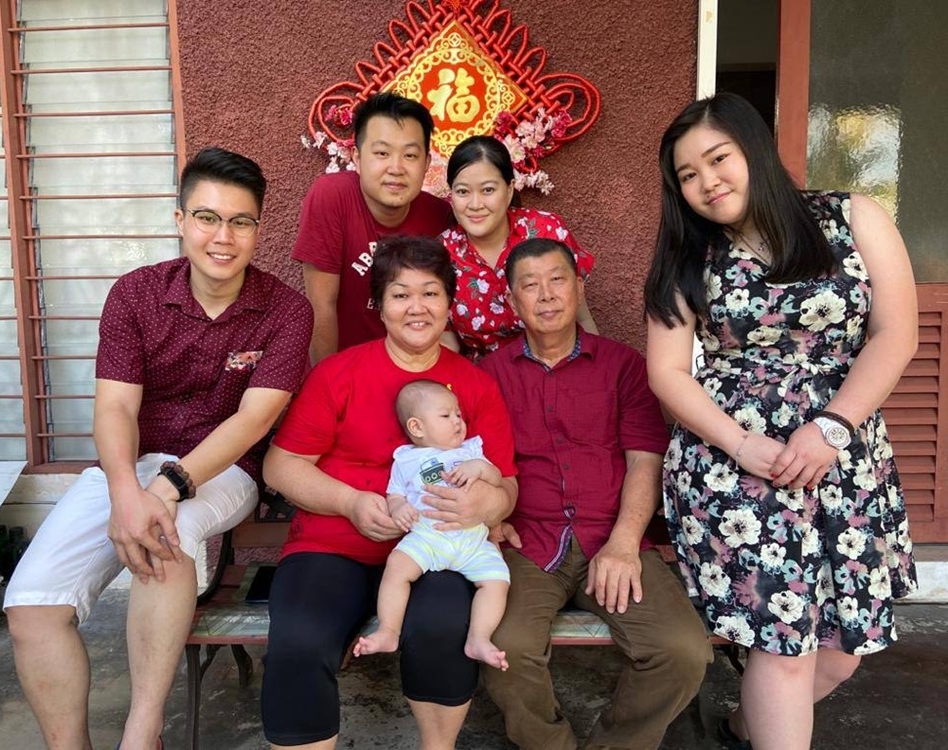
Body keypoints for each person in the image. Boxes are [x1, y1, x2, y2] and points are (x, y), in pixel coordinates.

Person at [3, 147, 313, 750]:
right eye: (206, 217)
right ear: (179, 220)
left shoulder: (285, 310)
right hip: (127, 464)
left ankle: (143, 733)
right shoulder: (135, 296)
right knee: (31, 604)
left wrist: (163, 490)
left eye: (240, 221)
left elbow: (253, 420)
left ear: (258, 228)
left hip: (221, 468)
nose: (222, 237)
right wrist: (125, 491)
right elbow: (116, 407)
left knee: (167, 533)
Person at [643, 92, 919, 750]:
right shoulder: (688, 258)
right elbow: (668, 373)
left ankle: (742, 726)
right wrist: (744, 445)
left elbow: (895, 333)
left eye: (718, 159)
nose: (707, 182)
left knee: (841, 649)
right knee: (788, 647)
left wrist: (831, 427)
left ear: (754, 151)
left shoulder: (851, 217)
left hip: (844, 456)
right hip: (735, 467)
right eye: (688, 174)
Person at [260, 235, 518, 750]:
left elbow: (505, 483)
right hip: (335, 545)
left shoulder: (475, 385)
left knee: (443, 625)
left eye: (431, 293)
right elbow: (280, 466)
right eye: (400, 294)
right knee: (298, 641)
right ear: (378, 306)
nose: (417, 307)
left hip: (439, 549)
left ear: (450, 302)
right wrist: (351, 502)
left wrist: (486, 504)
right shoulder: (339, 373)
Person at [479, 237, 711, 750]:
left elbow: (645, 459)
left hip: (613, 534)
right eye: (530, 285)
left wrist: (626, 542)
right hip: (528, 541)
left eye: (558, 280)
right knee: (504, 646)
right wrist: (488, 517)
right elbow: (476, 460)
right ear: (512, 300)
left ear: (578, 287)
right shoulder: (490, 375)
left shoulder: (623, 366)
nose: (546, 295)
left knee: (682, 650)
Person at [353, 379, 510, 670]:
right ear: (417, 427)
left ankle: (479, 637)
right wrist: (399, 509)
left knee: (498, 580)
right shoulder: (406, 460)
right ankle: (389, 630)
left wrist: (480, 469)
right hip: (427, 536)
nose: (457, 422)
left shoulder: (471, 451)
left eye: (459, 415)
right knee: (397, 567)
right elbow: (395, 493)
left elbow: (497, 477)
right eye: (446, 416)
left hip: (472, 539)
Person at [294, 92, 453, 363]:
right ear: (357, 157)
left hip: (415, 375)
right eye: (382, 153)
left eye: (410, 155)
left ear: (427, 163)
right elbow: (321, 307)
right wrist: (329, 387)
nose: (396, 168)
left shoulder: (440, 216)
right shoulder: (332, 197)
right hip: (347, 367)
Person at [440, 134, 599, 360]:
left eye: (487, 190)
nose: (475, 205)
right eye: (463, 192)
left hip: (561, 366)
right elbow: (447, 342)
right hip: (488, 380)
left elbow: (582, 317)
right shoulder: (442, 254)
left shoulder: (545, 230)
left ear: (509, 189)